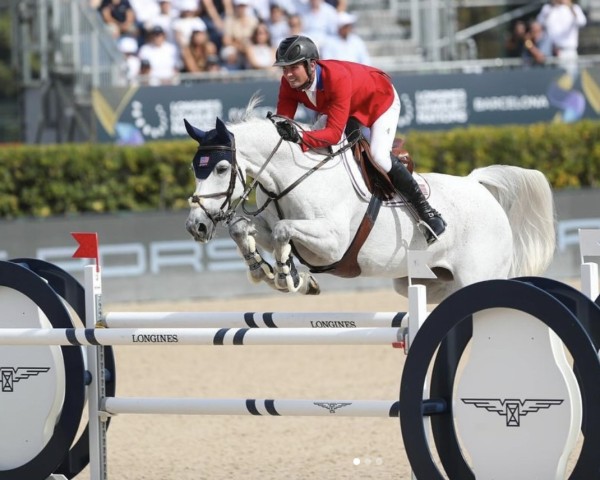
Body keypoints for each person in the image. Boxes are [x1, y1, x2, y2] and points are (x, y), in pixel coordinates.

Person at [272, 35, 446, 244]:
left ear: (311, 64)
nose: (288, 74)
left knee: (379, 157)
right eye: (284, 68)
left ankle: (428, 213)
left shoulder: (336, 78)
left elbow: (333, 134)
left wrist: (300, 136)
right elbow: (283, 123)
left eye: (293, 67)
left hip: (379, 100)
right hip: (346, 107)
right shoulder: (288, 83)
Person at [537, 0, 587, 77]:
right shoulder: (547, 8)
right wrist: (552, 6)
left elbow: (582, 22)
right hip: (551, 51)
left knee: (570, 78)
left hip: (568, 51)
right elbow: (539, 23)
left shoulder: (574, 8)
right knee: (551, 78)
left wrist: (570, 6)